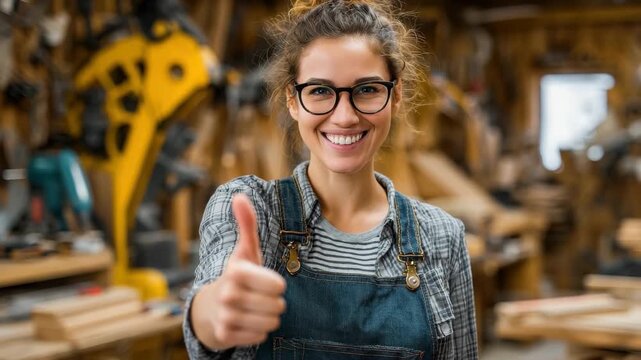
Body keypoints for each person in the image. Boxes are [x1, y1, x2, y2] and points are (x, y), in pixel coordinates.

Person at [183, 0, 478, 359]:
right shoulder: (249, 209)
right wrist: (216, 311)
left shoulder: (444, 236)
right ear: (293, 101)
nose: (345, 116)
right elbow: (207, 318)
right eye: (320, 91)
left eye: (367, 89)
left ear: (395, 95)